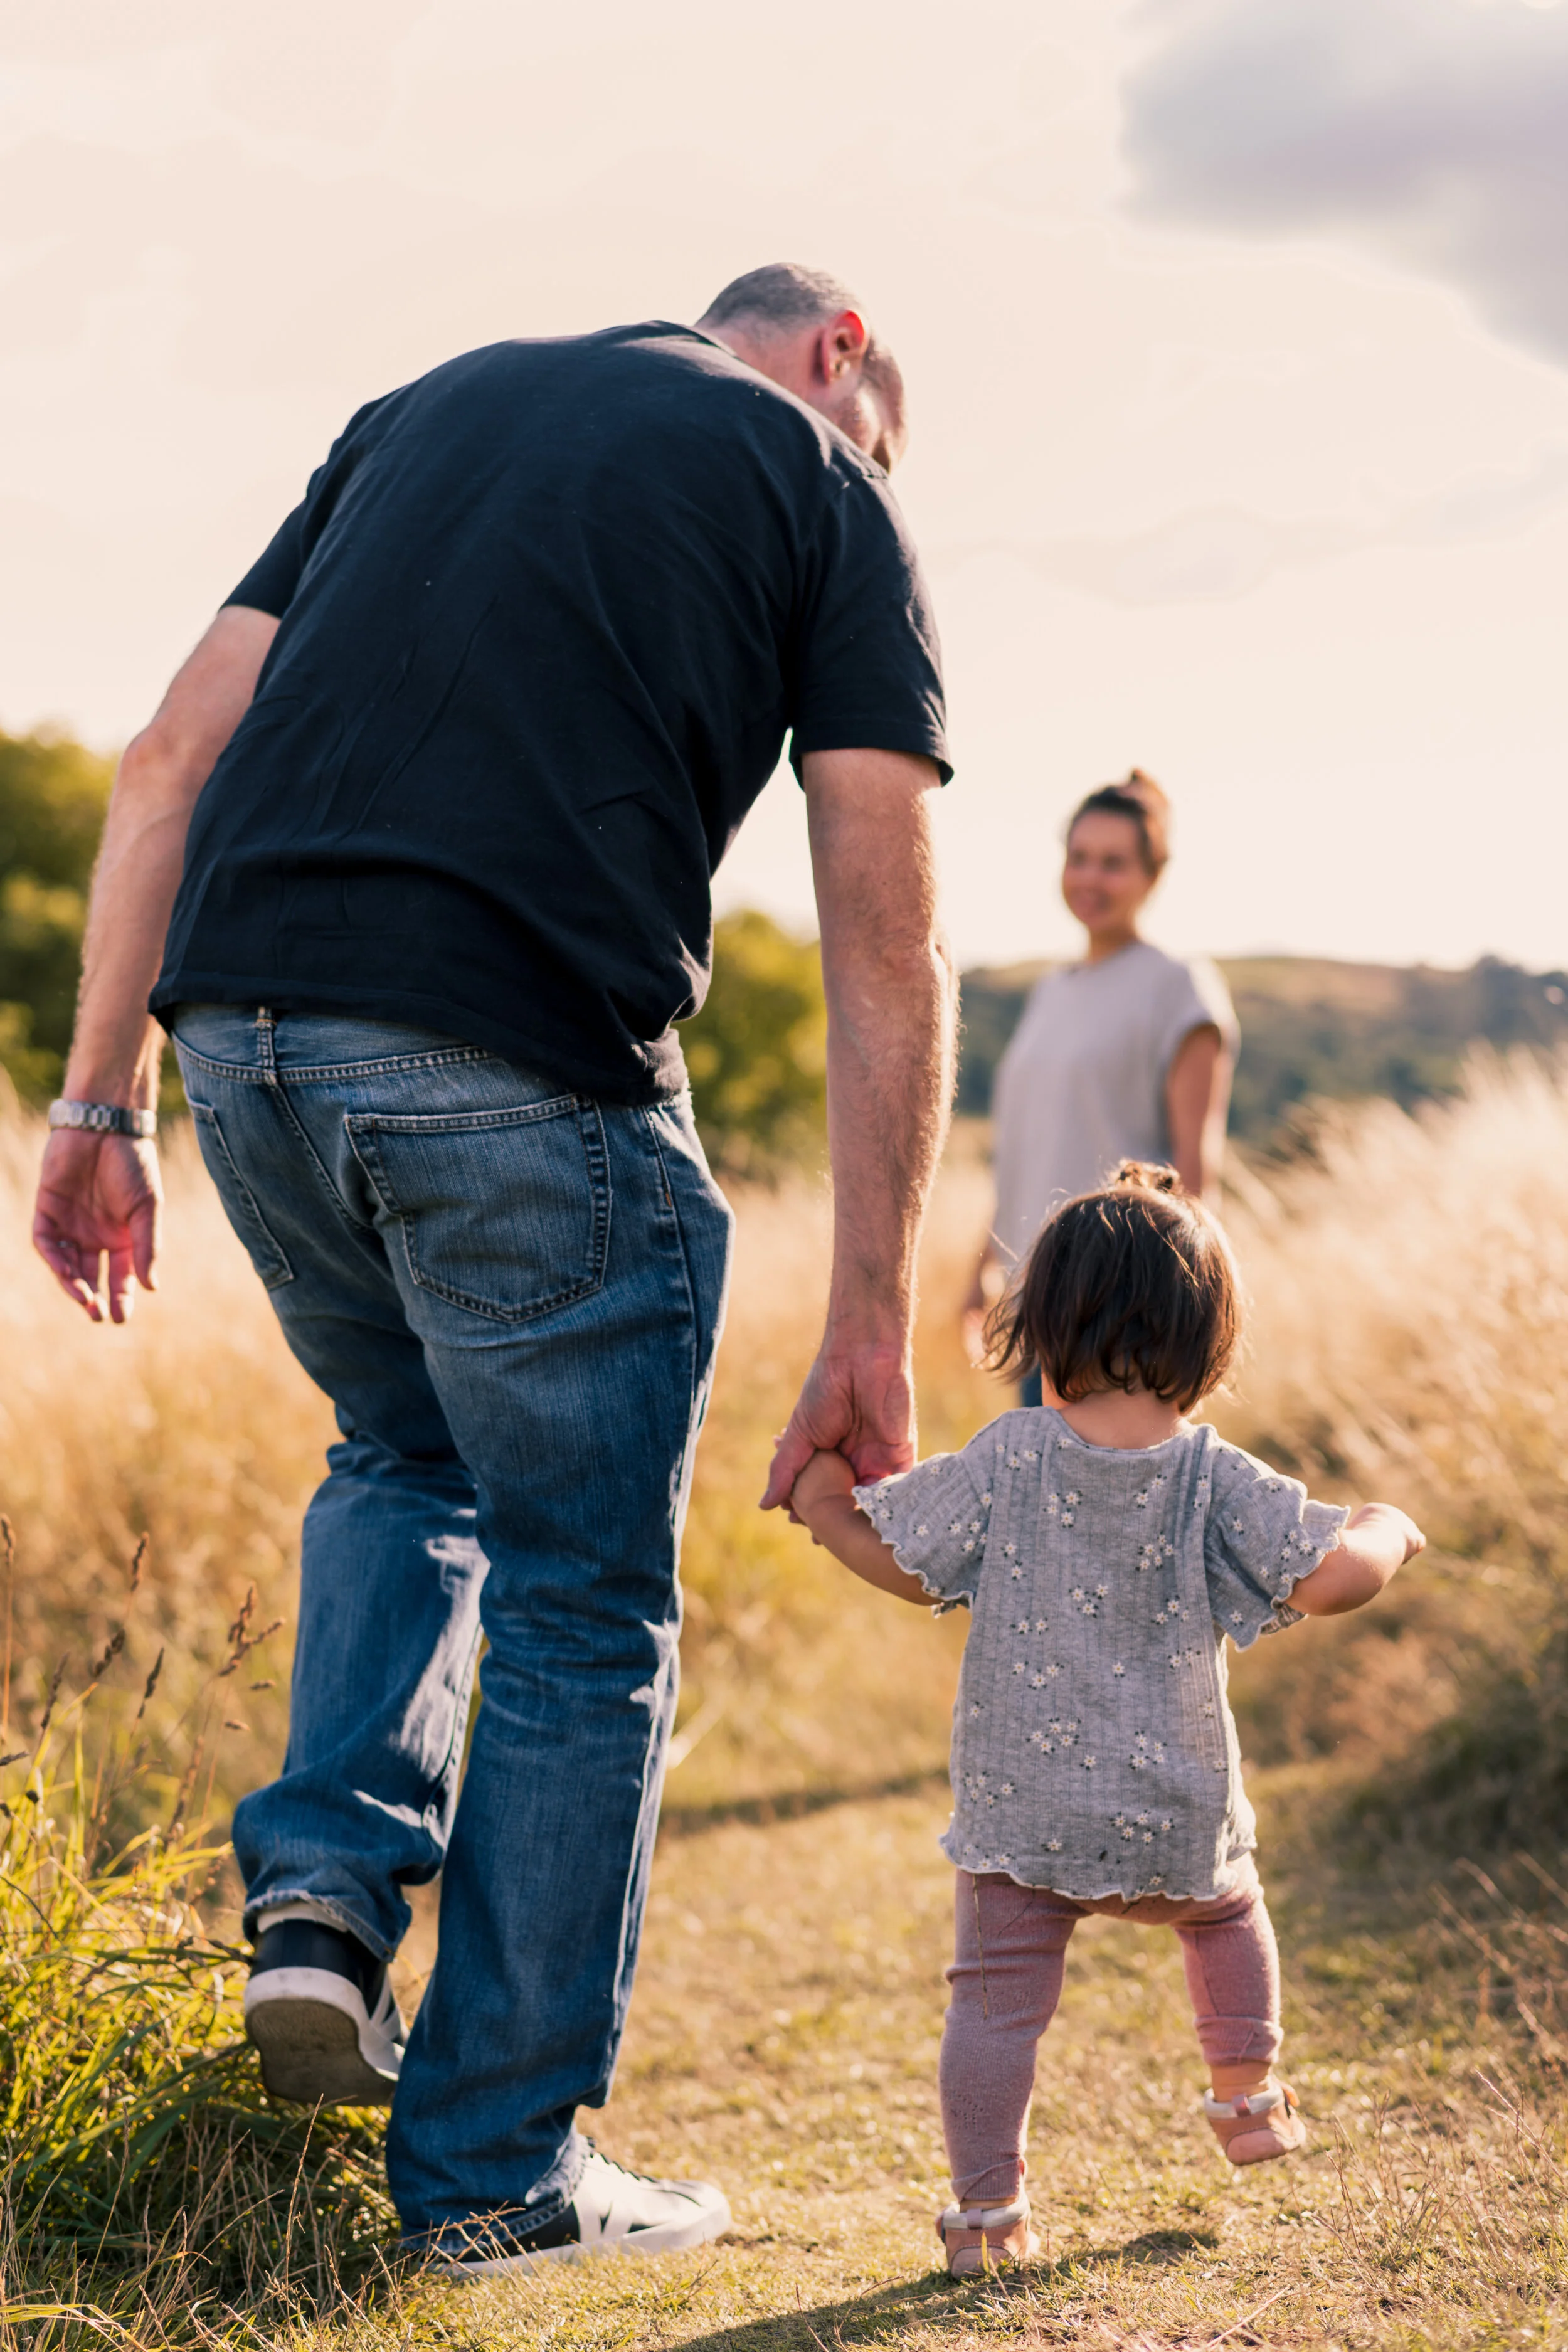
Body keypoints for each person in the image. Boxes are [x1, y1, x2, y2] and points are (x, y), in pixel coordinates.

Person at [31, 263, 956, 2271]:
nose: (870, 456)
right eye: (875, 421)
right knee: (582, 1600)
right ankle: (493, 2180)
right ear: (837, 348)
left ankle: (326, 1907)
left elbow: (166, 758)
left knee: (401, 1451)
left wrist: (95, 1103)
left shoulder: (420, 409)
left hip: (246, 1044)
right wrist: (870, 1314)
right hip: (516, 1064)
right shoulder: (824, 481)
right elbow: (882, 929)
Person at [792, 1163, 1423, 2277]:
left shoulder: (1009, 1456)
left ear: (1039, 1323)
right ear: (1209, 1338)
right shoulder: (1213, 1474)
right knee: (1226, 1916)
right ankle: (1248, 2099)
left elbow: (902, 1562)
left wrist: (824, 1505)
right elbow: (1329, 1580)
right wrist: (1386, 1528)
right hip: (1175, 1808)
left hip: (1020, 1818)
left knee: (992, 2008)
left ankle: (987, 2217)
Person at [963, 772, 1237, 1392]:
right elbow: (1028, 1149)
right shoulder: (1050, 991)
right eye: (1079, 858)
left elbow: (1195, 1174)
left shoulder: (1179, 988)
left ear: (1152, 876)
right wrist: (979, 1271)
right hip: (1032, 1302)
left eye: (1113, 863)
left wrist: (1186, 1327)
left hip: (1117, 1313)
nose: (1090, 878)